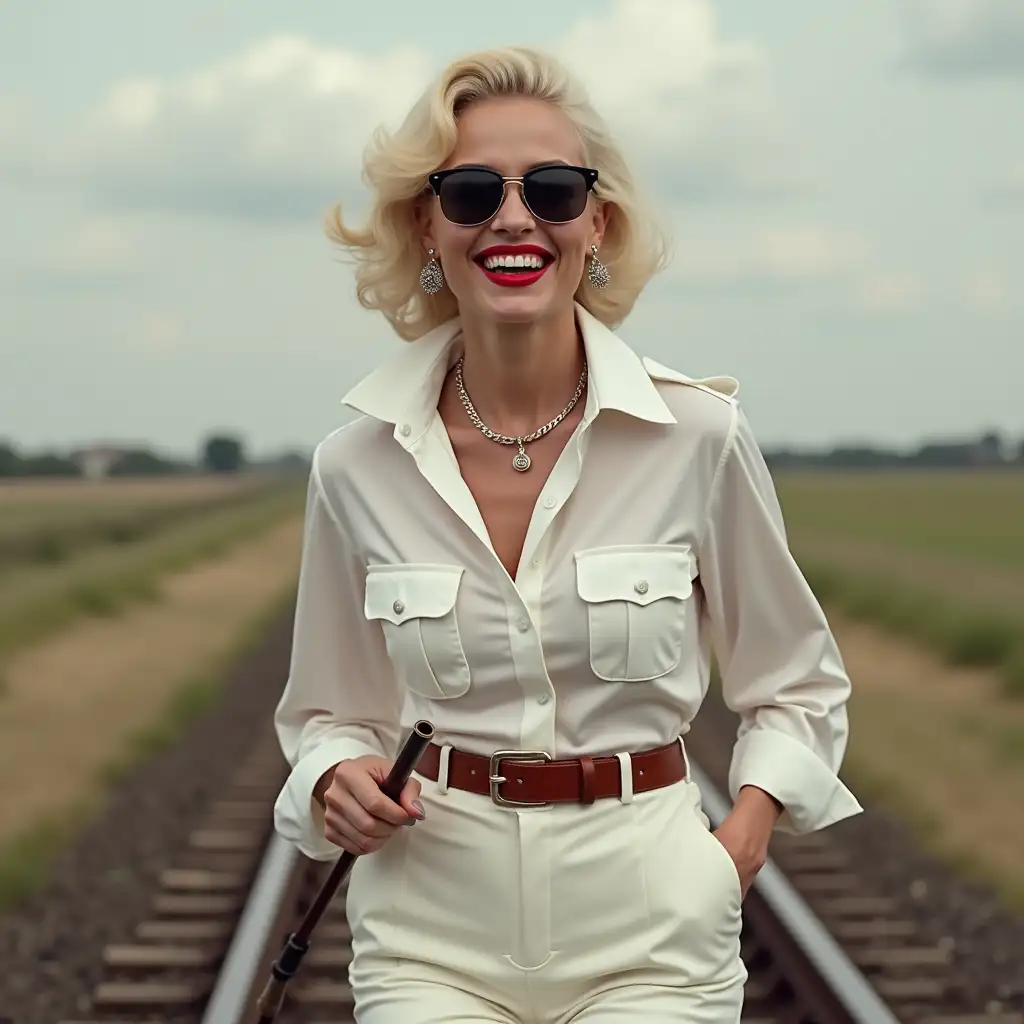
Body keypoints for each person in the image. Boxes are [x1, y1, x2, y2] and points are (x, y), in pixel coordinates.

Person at [272, 44, 862, 1024]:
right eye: (470, 192)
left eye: (551, 188)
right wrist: (335, 775)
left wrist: (740, 842)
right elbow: (326, 711)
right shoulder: (354, 464)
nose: (513, 217)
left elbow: (795, 683)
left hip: (652, 936)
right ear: (427, 224)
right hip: (429, 937)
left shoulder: (699, 439)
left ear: (597, 222)